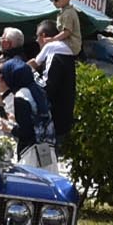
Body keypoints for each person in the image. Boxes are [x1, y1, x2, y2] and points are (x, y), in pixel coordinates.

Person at [36, 22, 78, 157]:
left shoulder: (53, 55)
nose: (37, 41)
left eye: (37, 37)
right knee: (52, 164)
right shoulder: (67, 56)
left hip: (51, 124)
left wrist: (31, 73)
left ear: (43, 36)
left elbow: (46, 87)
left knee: (45, 166)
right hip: (63, 121)